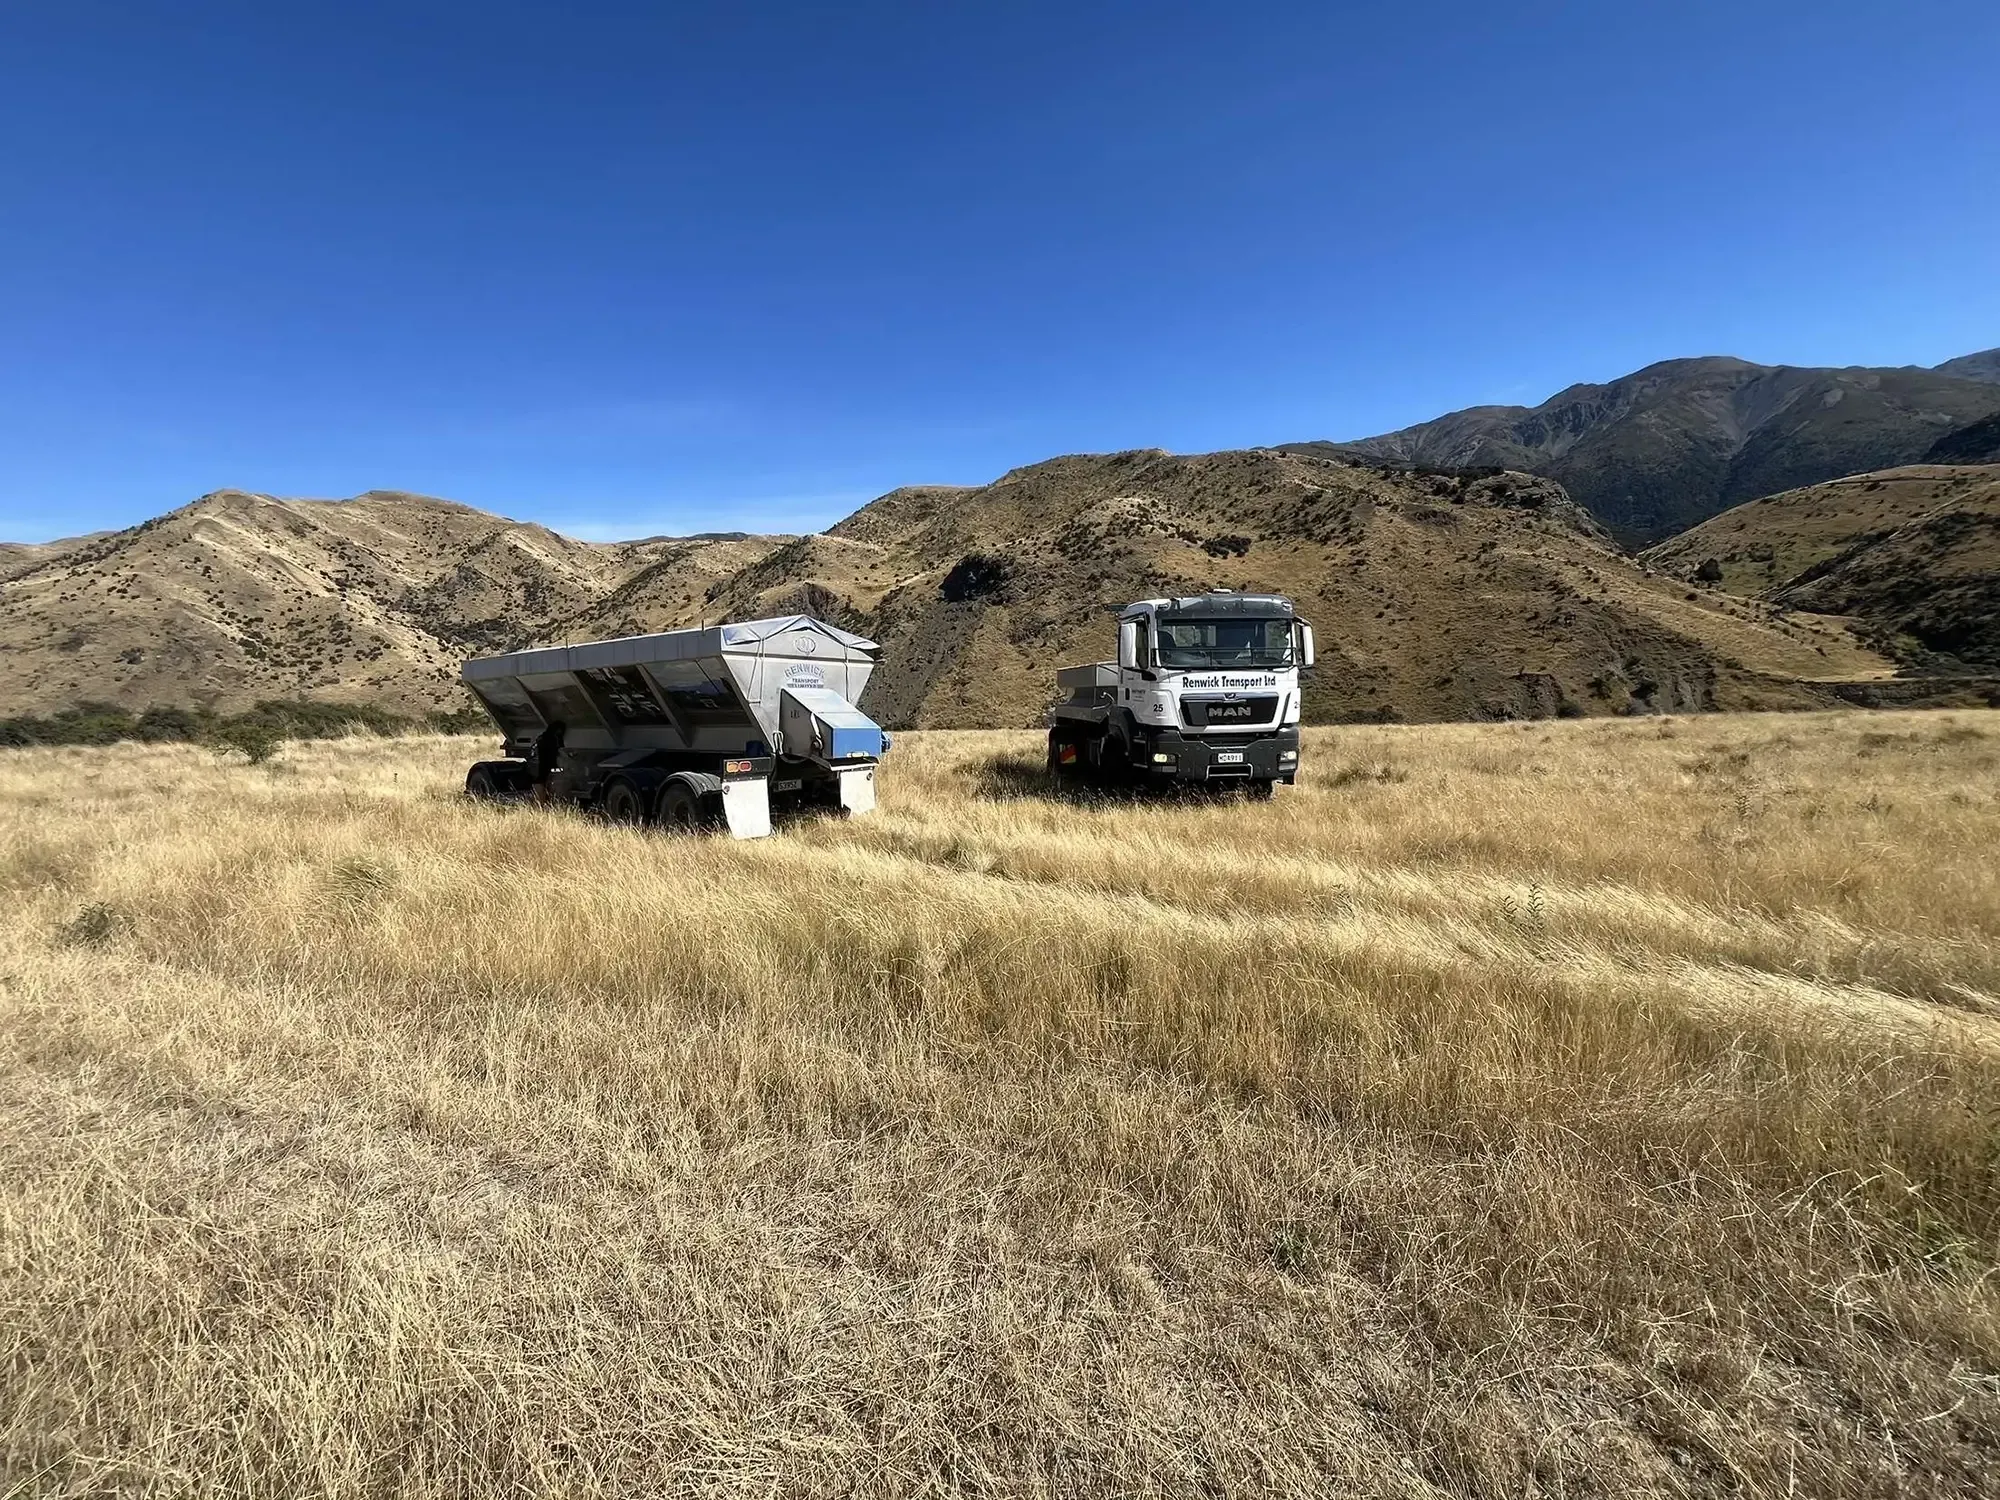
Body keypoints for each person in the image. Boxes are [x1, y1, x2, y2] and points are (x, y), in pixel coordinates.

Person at [530, 719, 565, 805]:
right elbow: (558, 749)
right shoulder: (552, 739)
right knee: (544, 780)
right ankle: (544, 800)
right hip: (547, 762)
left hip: (542, 763)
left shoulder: (543, 737)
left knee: (542, 779)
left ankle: (541, 801)